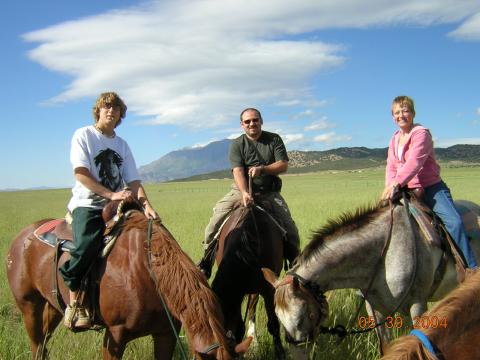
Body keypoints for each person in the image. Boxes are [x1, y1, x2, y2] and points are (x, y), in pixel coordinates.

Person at [60, 91, 159, 329]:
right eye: (106, 107)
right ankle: (74, 299)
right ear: (98, 110)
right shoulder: (84, 135)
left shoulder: (122, 145)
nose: (111, 111)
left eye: (116, 108)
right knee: (86, 246)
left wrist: (147, 206)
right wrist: (111, 194)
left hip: (118, 205)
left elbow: (134, 182)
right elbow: (81, 173)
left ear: (121, 115)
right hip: (89, 203)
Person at [198, 107, 300, 279]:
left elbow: (283, 164)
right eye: (247, 121)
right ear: (242, 125)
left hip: (269, 192)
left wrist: (263, 169)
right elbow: (237, 171)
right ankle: (206, 261)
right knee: (215, 221)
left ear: (261, 121)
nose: (252, 124)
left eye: (255, 120)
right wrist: (245, 192)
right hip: (240, 190)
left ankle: (295, 264)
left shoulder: (273, 139)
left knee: (289, 227)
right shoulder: (237, 144)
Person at [381, 95, 477, 270]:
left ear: (413, 113)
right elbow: (391, 165)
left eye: (405, 110)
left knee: (454, 222)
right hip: (404, 188)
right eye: (396, 112)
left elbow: (415, 162)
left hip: (431, 188)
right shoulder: (394, 139)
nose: (401, 115)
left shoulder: (421, 134)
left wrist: (397, 183)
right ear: (392, 116)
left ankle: (472, 269)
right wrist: (390, 186)